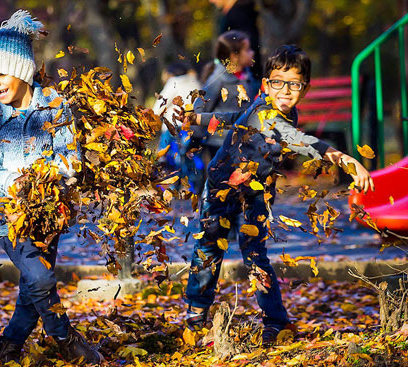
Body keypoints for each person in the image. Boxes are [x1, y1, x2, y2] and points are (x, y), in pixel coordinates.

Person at [182, 45, 374, 345]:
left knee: (256, 256)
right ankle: (196, 315)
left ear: (305, 88)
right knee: (208, 248)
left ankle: (275, 321)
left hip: (256, 193)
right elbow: (240, 119)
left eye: (294, 84)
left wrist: (350, 162)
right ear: (265, 85)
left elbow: (301, 141)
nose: (285, 90)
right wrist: (198, 119)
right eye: (278, 82)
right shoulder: (264, 109)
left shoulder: (281, 112)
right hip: (221, 187)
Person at [0, 10, 103, 365]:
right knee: (42, 279)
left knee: (33, 290)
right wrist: (13, 182)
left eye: (0, 73)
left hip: (48, 214)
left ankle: (9, 347)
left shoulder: (55, 106)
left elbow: (71, 157)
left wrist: (45, 176)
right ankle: (66, 338)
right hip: (7, 216)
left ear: (22, 69)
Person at [197, 30, 257, 167]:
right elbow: (201, 107)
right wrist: (197, 138)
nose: (252, 53)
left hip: (243, 140)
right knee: (222, 182)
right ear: (234, 56)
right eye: (247, 50)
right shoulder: (218, 79)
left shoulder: (247, 76)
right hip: (220, 142)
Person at [153, 62, 202, 191]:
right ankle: (192, 186)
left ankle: (171, 185)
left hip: (174, 127)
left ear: (170, 73)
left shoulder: (174, 82)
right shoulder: (195, 82)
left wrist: (154, 117)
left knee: (169, 156)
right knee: (189, 155)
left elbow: (159, 105)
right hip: (192, 126)